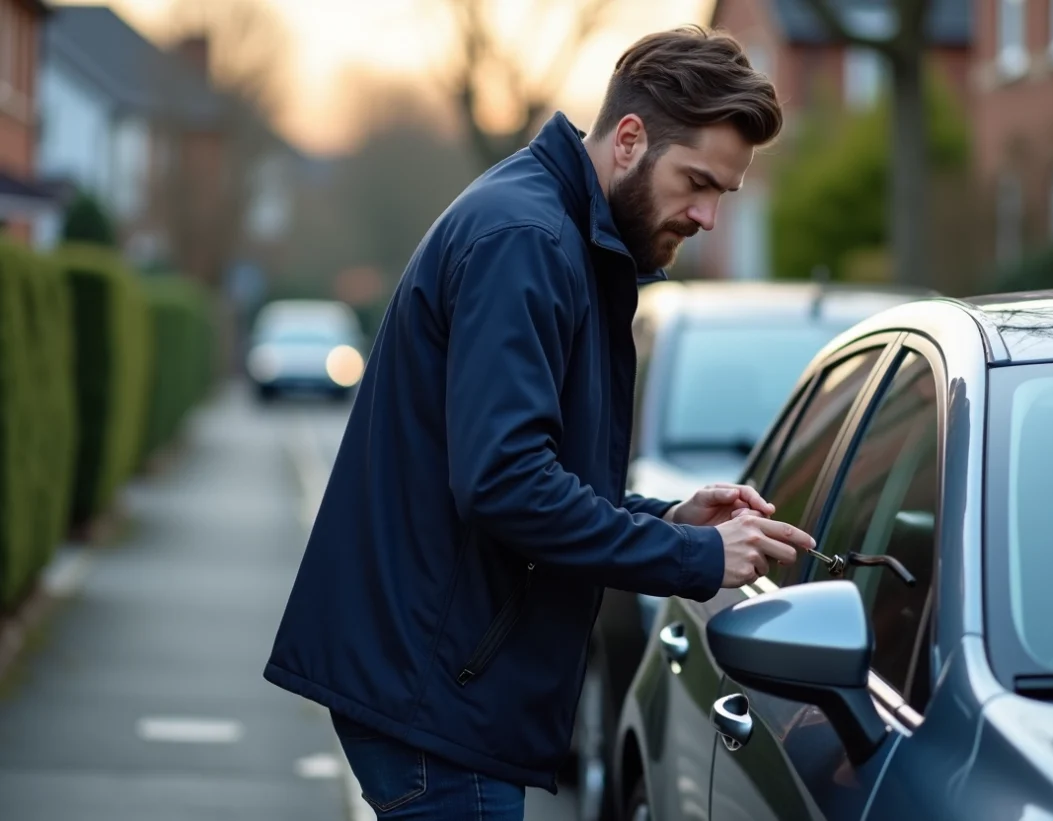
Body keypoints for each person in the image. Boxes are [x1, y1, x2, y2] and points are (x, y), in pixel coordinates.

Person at [264, 24, 815, 819]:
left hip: (441, 682)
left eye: (722, 194)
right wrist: (691, 553)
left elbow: (530, 473)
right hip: (437, 697)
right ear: (630, 139)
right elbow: (505, 486)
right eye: (696, 181)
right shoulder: (526, 241)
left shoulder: (558, 234)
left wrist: (665, 515)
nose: (707, 217)